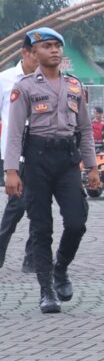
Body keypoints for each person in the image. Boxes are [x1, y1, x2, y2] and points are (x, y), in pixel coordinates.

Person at [4, 27, 100, 313]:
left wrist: (93, 167)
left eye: (57, 46)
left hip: (67, 160)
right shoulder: (24, 87)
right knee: (41, 227)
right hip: (36, 159)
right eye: (47, 46)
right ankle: (47, 290)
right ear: (33, 53)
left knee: (76, 222)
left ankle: (61, 269)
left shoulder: (74, 86)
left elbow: (84, 130)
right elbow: (13, 132)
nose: (55, 50)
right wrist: (11, 170)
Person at [0, 35, 37, 272]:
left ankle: (33, 256)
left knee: (40, 206)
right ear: (25, 52)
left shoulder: (49, 79)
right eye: (36, 52)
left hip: (42, 151)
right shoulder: (5, 79)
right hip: (15, 154)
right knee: (18, 205)